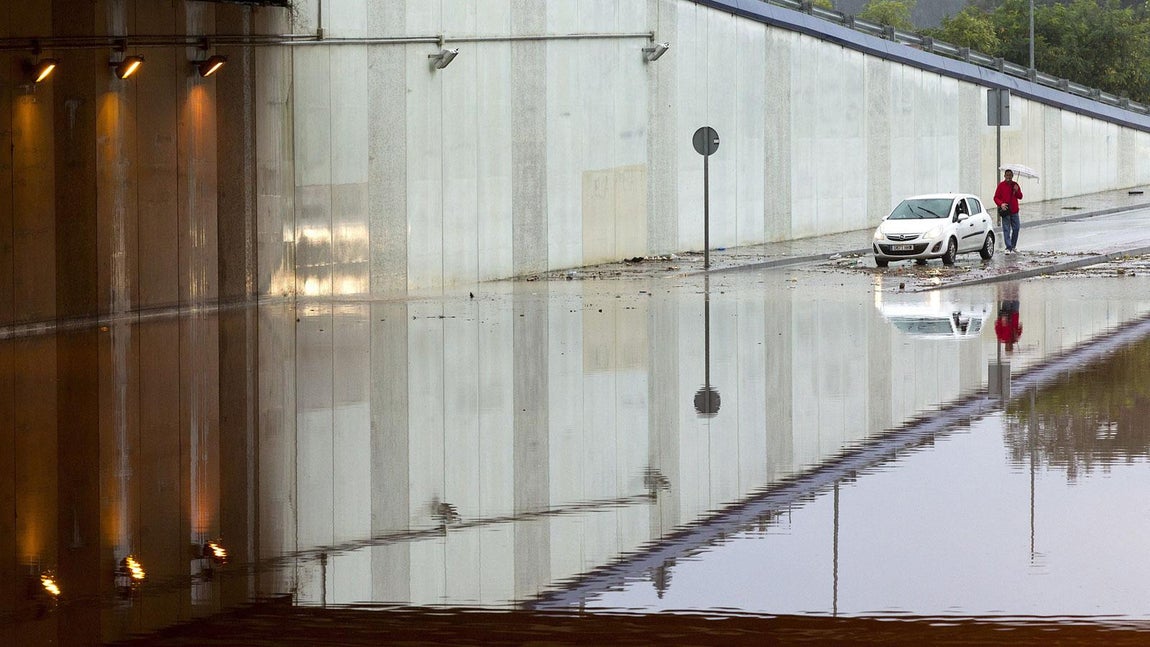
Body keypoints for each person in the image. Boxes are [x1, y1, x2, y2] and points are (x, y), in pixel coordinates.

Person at [994, 169, 1023, 254]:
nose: (1008, 177)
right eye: (1007, 175)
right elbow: (996, 197)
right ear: (1004, 176)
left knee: (1016, 228)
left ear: (1012, 176)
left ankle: (1013, 246)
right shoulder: (1001, 185)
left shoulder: (1015, 185)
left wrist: (1016, 190)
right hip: (1005, 210)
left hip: (1014, 211)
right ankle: (1008, 247)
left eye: (1010, 175)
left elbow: (1020, 196)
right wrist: (1001, 204)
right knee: (1006, 229)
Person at [995, 284, 1022, 353]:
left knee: (1006, 298)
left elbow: (997, 326)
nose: (1009, 346)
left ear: (1005, 347)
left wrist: (1002, 320)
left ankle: (1006, 284)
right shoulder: (1015, 339)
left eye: (1008, 347)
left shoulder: (1001, 338)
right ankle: (1015, 284)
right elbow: (1020, 328)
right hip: (1015, 314)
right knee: (1016, 298)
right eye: (1011, 347)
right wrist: (1018, 332)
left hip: (1006, 314)